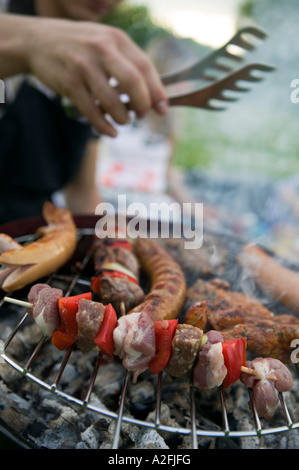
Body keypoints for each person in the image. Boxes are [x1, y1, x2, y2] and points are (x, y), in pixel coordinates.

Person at [0, 0, 168, 223]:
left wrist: (116, 243)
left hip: (36, 242)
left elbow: (82, 193)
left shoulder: (88, 67)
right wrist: (34, 40)